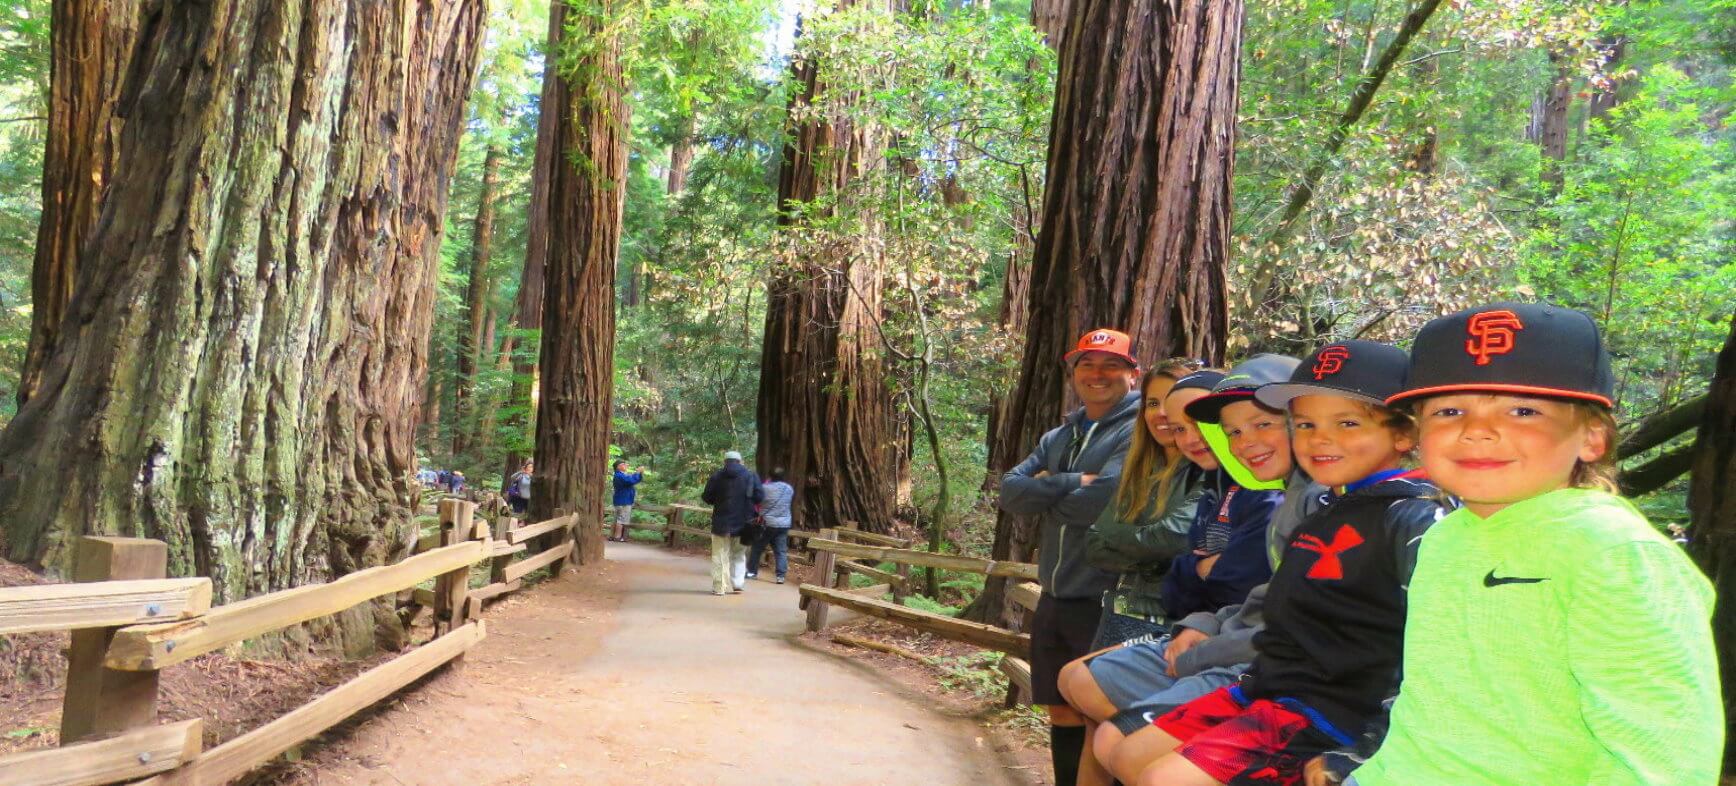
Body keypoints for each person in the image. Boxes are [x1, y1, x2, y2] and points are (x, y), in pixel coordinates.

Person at [1343, 303, 1720, 786]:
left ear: (1592, 438)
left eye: (1523, 410)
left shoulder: (1614, 554)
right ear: (1418, 434)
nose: (1476, 430)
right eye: (1449, 411)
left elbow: (1664, 754)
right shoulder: (1445, 535)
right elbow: (1436, 700)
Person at [1106, 339, 1449, 786]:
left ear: (1405, 434)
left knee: (1165, 778)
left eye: (1347, 423)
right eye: (1305, 424)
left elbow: (1434, 647)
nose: (1320, 439)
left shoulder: (1416, 516)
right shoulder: (1324, 506)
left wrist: (1369, 746)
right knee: (1128, 754)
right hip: (1271, 686)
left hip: (1335, 710)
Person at [1064, 358, 1305, 786]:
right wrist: (1198, 584)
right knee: (1084, 695)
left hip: (1253, 665)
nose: (1189, 438)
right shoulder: (1218, 486)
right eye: (1176, 427)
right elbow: (1163, 569)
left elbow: (1235, 578)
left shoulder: (1277, 497)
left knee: (1123, 743)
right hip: (1213, 633)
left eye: (1262, 424)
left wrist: (1196, 589)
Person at [998, 328, 1143, 786]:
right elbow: (1009, 491)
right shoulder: (1060, 434)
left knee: (1098, 712)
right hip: (1055, 593)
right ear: (1074, 372)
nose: (1097, 374)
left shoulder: (1139, 431)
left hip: (1103, 595)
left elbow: (1104, 500)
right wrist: (1070, 481)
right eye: (1087, 364)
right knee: (1060, 708)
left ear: (1132, 374)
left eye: (1110, 365)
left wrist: (1046, 488)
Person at [701, 450, 763, 596]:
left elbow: (707, 497)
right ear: (740, 461)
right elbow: (760, 496)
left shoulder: (717, 476)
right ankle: (738, 584)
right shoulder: (750, 476)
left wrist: (719, 499)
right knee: (739, 554)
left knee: (720, 555)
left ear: (725, 462)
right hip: (744, 524)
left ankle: (719, 587)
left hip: (720, 523)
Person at [747, 468, 796, 583]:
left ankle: (752, 572)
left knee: (757, 548)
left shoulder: (764, 488)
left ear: (770, 477)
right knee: (780, 551)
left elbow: (758, 502)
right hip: (783, 524)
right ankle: (780, 576)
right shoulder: (789, 489)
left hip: (767, 524)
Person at [610, 460, 644, 542]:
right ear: (618, 467)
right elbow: (630, 480)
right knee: (621, 519)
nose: (626, 465)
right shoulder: (619, 475)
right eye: (623, 464)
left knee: (620, 519)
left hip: (623, 500)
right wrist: (637, 472)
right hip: (623, 500)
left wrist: (639, 473)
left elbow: (633, 479)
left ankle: (616, 536)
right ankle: (617, 537)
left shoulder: (621, 475)